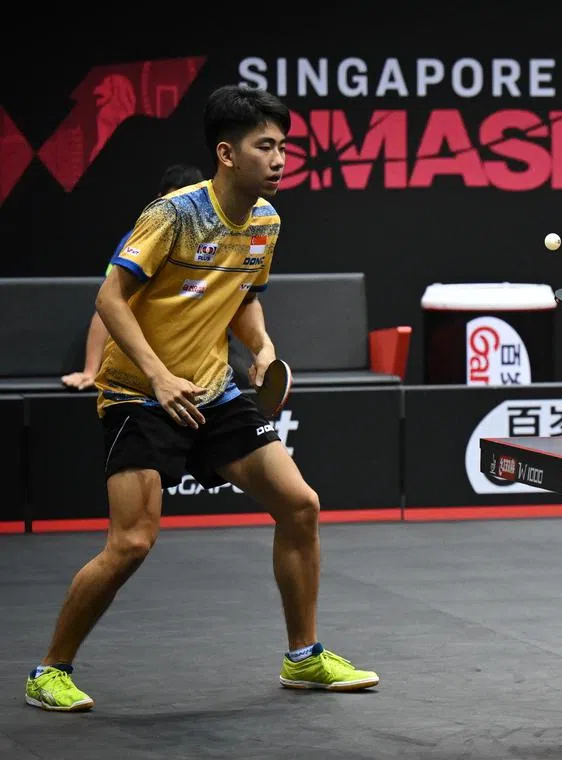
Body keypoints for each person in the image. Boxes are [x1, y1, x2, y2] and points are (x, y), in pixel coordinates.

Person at [25, 84, 379, 713]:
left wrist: (264, 348)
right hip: (138, 393)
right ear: (226, 152)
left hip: (213, 390)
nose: (279, 158)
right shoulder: (174, 214)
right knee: (132, 542)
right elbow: (109, 298)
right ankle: (49, 669)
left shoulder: (266, 221)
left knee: (300, 505)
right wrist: (158, 376)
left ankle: (303, 658)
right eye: (264, 146)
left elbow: (242, 296)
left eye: (283, 146)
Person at [61, 164, 205, 391]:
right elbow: (108, 304)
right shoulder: (138, 240)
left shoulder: (217, 244)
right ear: (159, 202)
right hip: (148, 351)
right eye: (172, 201)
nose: (178, 211)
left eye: (187, 202)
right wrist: (90, 371)